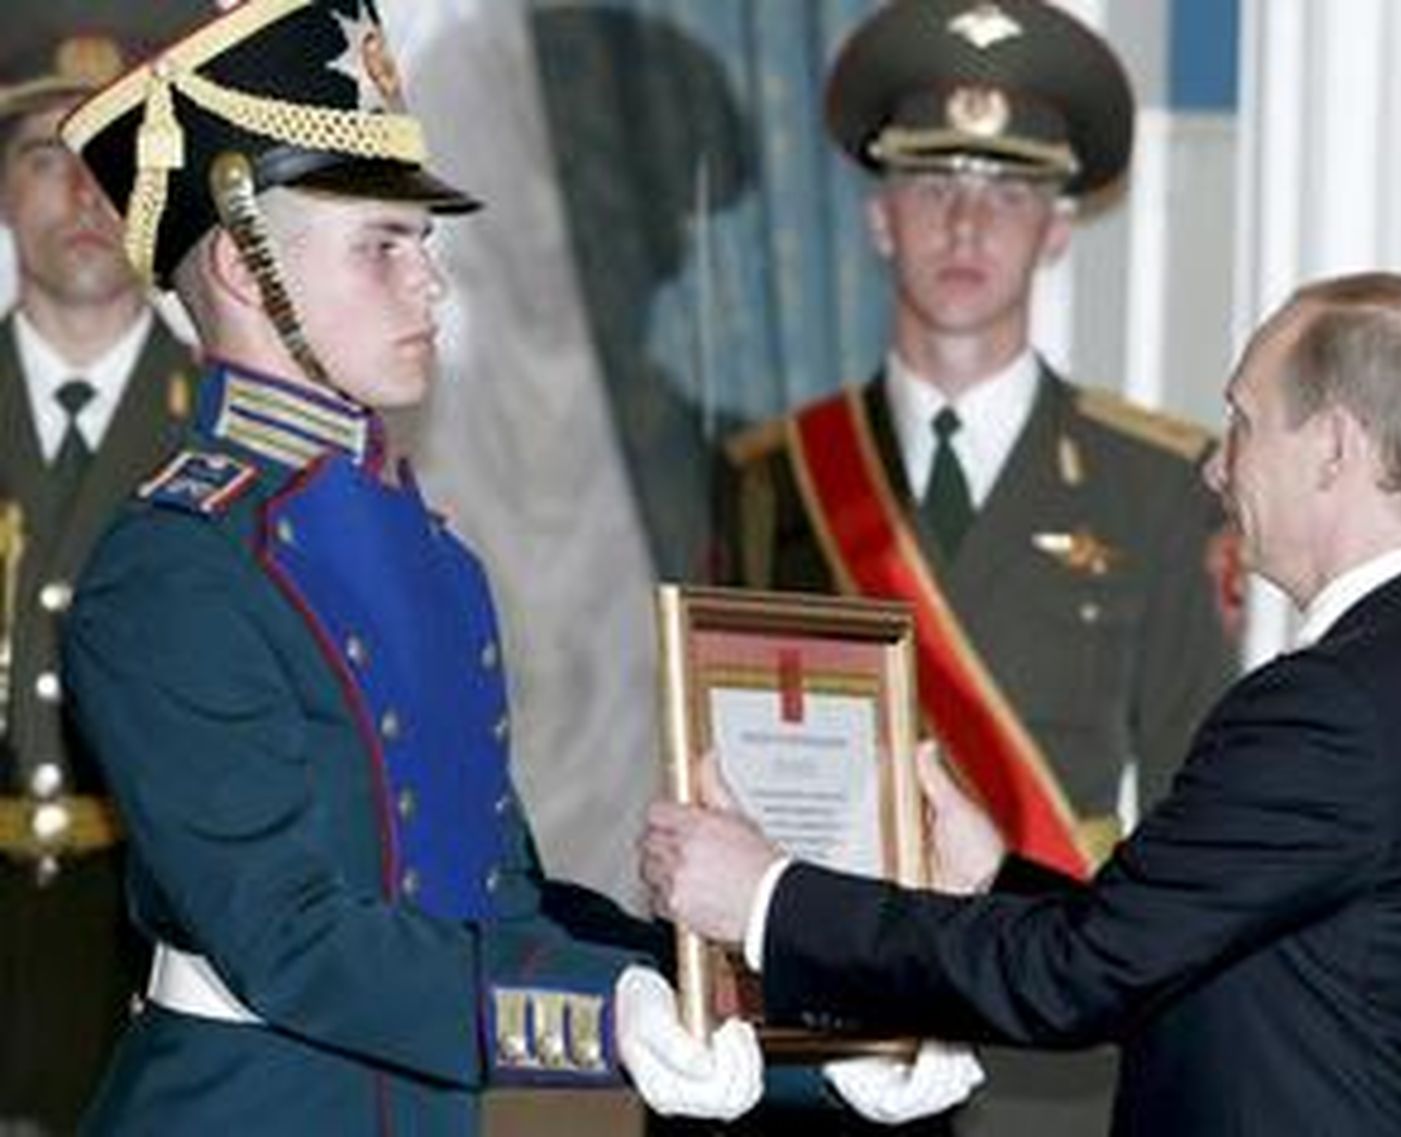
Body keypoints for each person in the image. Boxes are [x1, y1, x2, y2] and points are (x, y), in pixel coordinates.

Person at [645, 270, 1401, 1135]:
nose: (1217, 468)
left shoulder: (1331, 707)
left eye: (1243, 422)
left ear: (1333, 446)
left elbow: (1078, 976)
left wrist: (768, 897)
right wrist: (997, 878)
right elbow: (1184, 946)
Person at [55, 2, 769, 1132]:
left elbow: (500, 906)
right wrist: (604, 1019)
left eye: (423, 243)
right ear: (244, 268)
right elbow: (293, 939)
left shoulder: (428, 549)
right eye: (382, 245)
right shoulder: (175, 570)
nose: (431, 282)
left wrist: (798, 1024)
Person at [714, 1, 1235, 1128]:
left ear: (1058, 228)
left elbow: (1195, 810)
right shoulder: (772, 478)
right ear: (878, 216)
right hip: (826, 1032)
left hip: (1046, 1053)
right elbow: (719, 770)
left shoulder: (1160, 485)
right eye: (933, 183)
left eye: (1005, 191)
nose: (964, 223)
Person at [0, 8, 206, 1133]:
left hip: (162, 945)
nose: (82, 192)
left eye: (111, 157)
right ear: (1, 189)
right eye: (46, 154)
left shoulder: (234, 432)